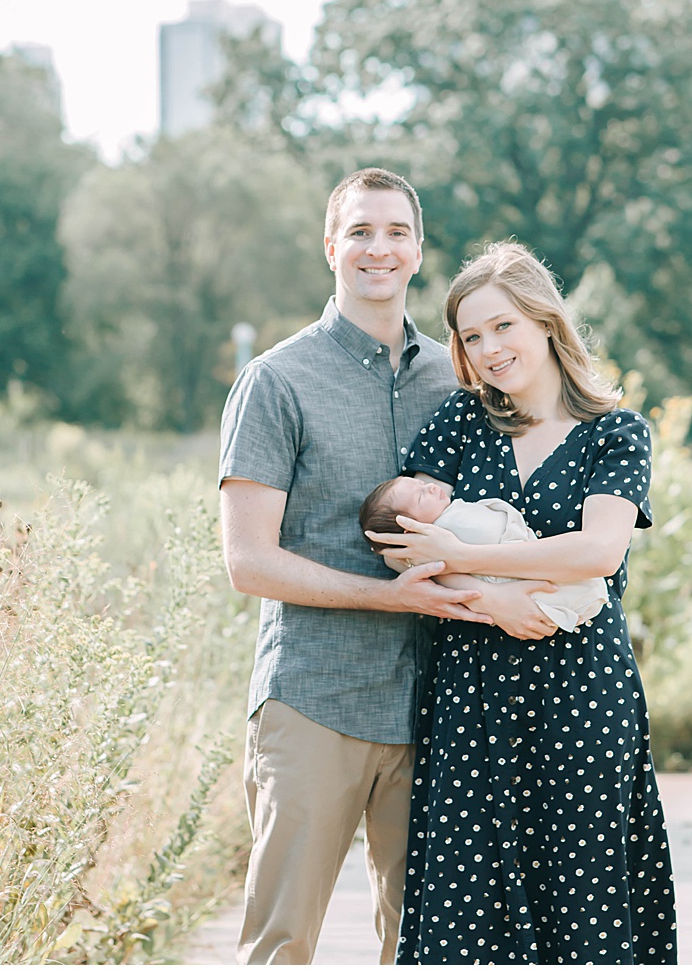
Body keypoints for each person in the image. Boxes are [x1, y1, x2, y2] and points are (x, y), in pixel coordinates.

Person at [218, 168, 555, 964]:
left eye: (397, 231)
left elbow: (517, 515)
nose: (380, 247)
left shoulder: (464, 376)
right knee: (282, 943)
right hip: (315, 700)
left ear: (418, 250)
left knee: (429, 947)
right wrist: (390, 597)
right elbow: (248, 561)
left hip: (441, 712)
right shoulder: (276, 381)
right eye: (361, 231)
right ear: (331, 246)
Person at [372, 240, 677, 964]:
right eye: (472, 336)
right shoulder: (456, 425)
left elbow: (598, 552)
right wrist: (489, 601)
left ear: (544, 320)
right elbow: (399, 547)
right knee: (466, 906)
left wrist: (470, 558)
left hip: (583, 693)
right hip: (472, 697)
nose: (489, 348)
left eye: (502, 326)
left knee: (585, 900)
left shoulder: (616, 432)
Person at [359, 473, 615, 631]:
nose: (430, 488)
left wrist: (460, 556)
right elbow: (399, 558)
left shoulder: (453, 516)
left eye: (420, 485)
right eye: (419, 498)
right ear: (409, 530)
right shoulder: (446, 529)